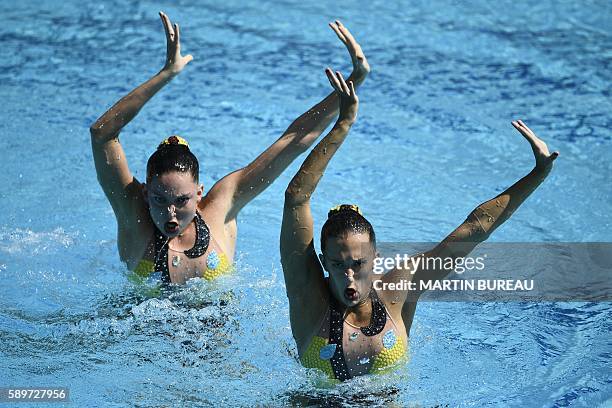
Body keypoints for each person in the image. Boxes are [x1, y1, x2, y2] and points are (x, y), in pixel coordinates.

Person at [280, 71, 559, 380]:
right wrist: (343, 124)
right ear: (323, 262)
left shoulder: (398, 291)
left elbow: (473, 230)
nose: (349, 275)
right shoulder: (308, 298)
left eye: (359, 264)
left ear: (375, 258)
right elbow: (296, 197)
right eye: (337, 264)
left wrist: (537, 176)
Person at [90, 12, 370, 284]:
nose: (171, 214)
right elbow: (102, 133)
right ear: (145, 192)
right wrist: (166, 74)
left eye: (182, 200)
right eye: (160, 200)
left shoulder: (221, 207)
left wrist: (354, 81)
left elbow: (293, 140)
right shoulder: (132, 215)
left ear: (199, 193)